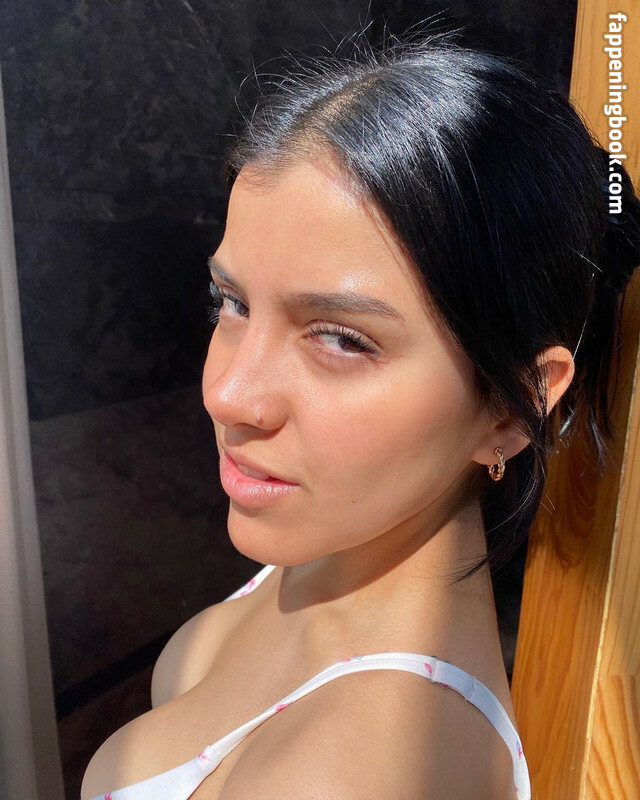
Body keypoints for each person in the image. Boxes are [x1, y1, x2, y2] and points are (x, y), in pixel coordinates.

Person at [81, 23, 640, 800]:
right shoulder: (329, 552)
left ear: (511, 409)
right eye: (231, 301)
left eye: (342, 339)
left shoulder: (355, 773)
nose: (228, 394)